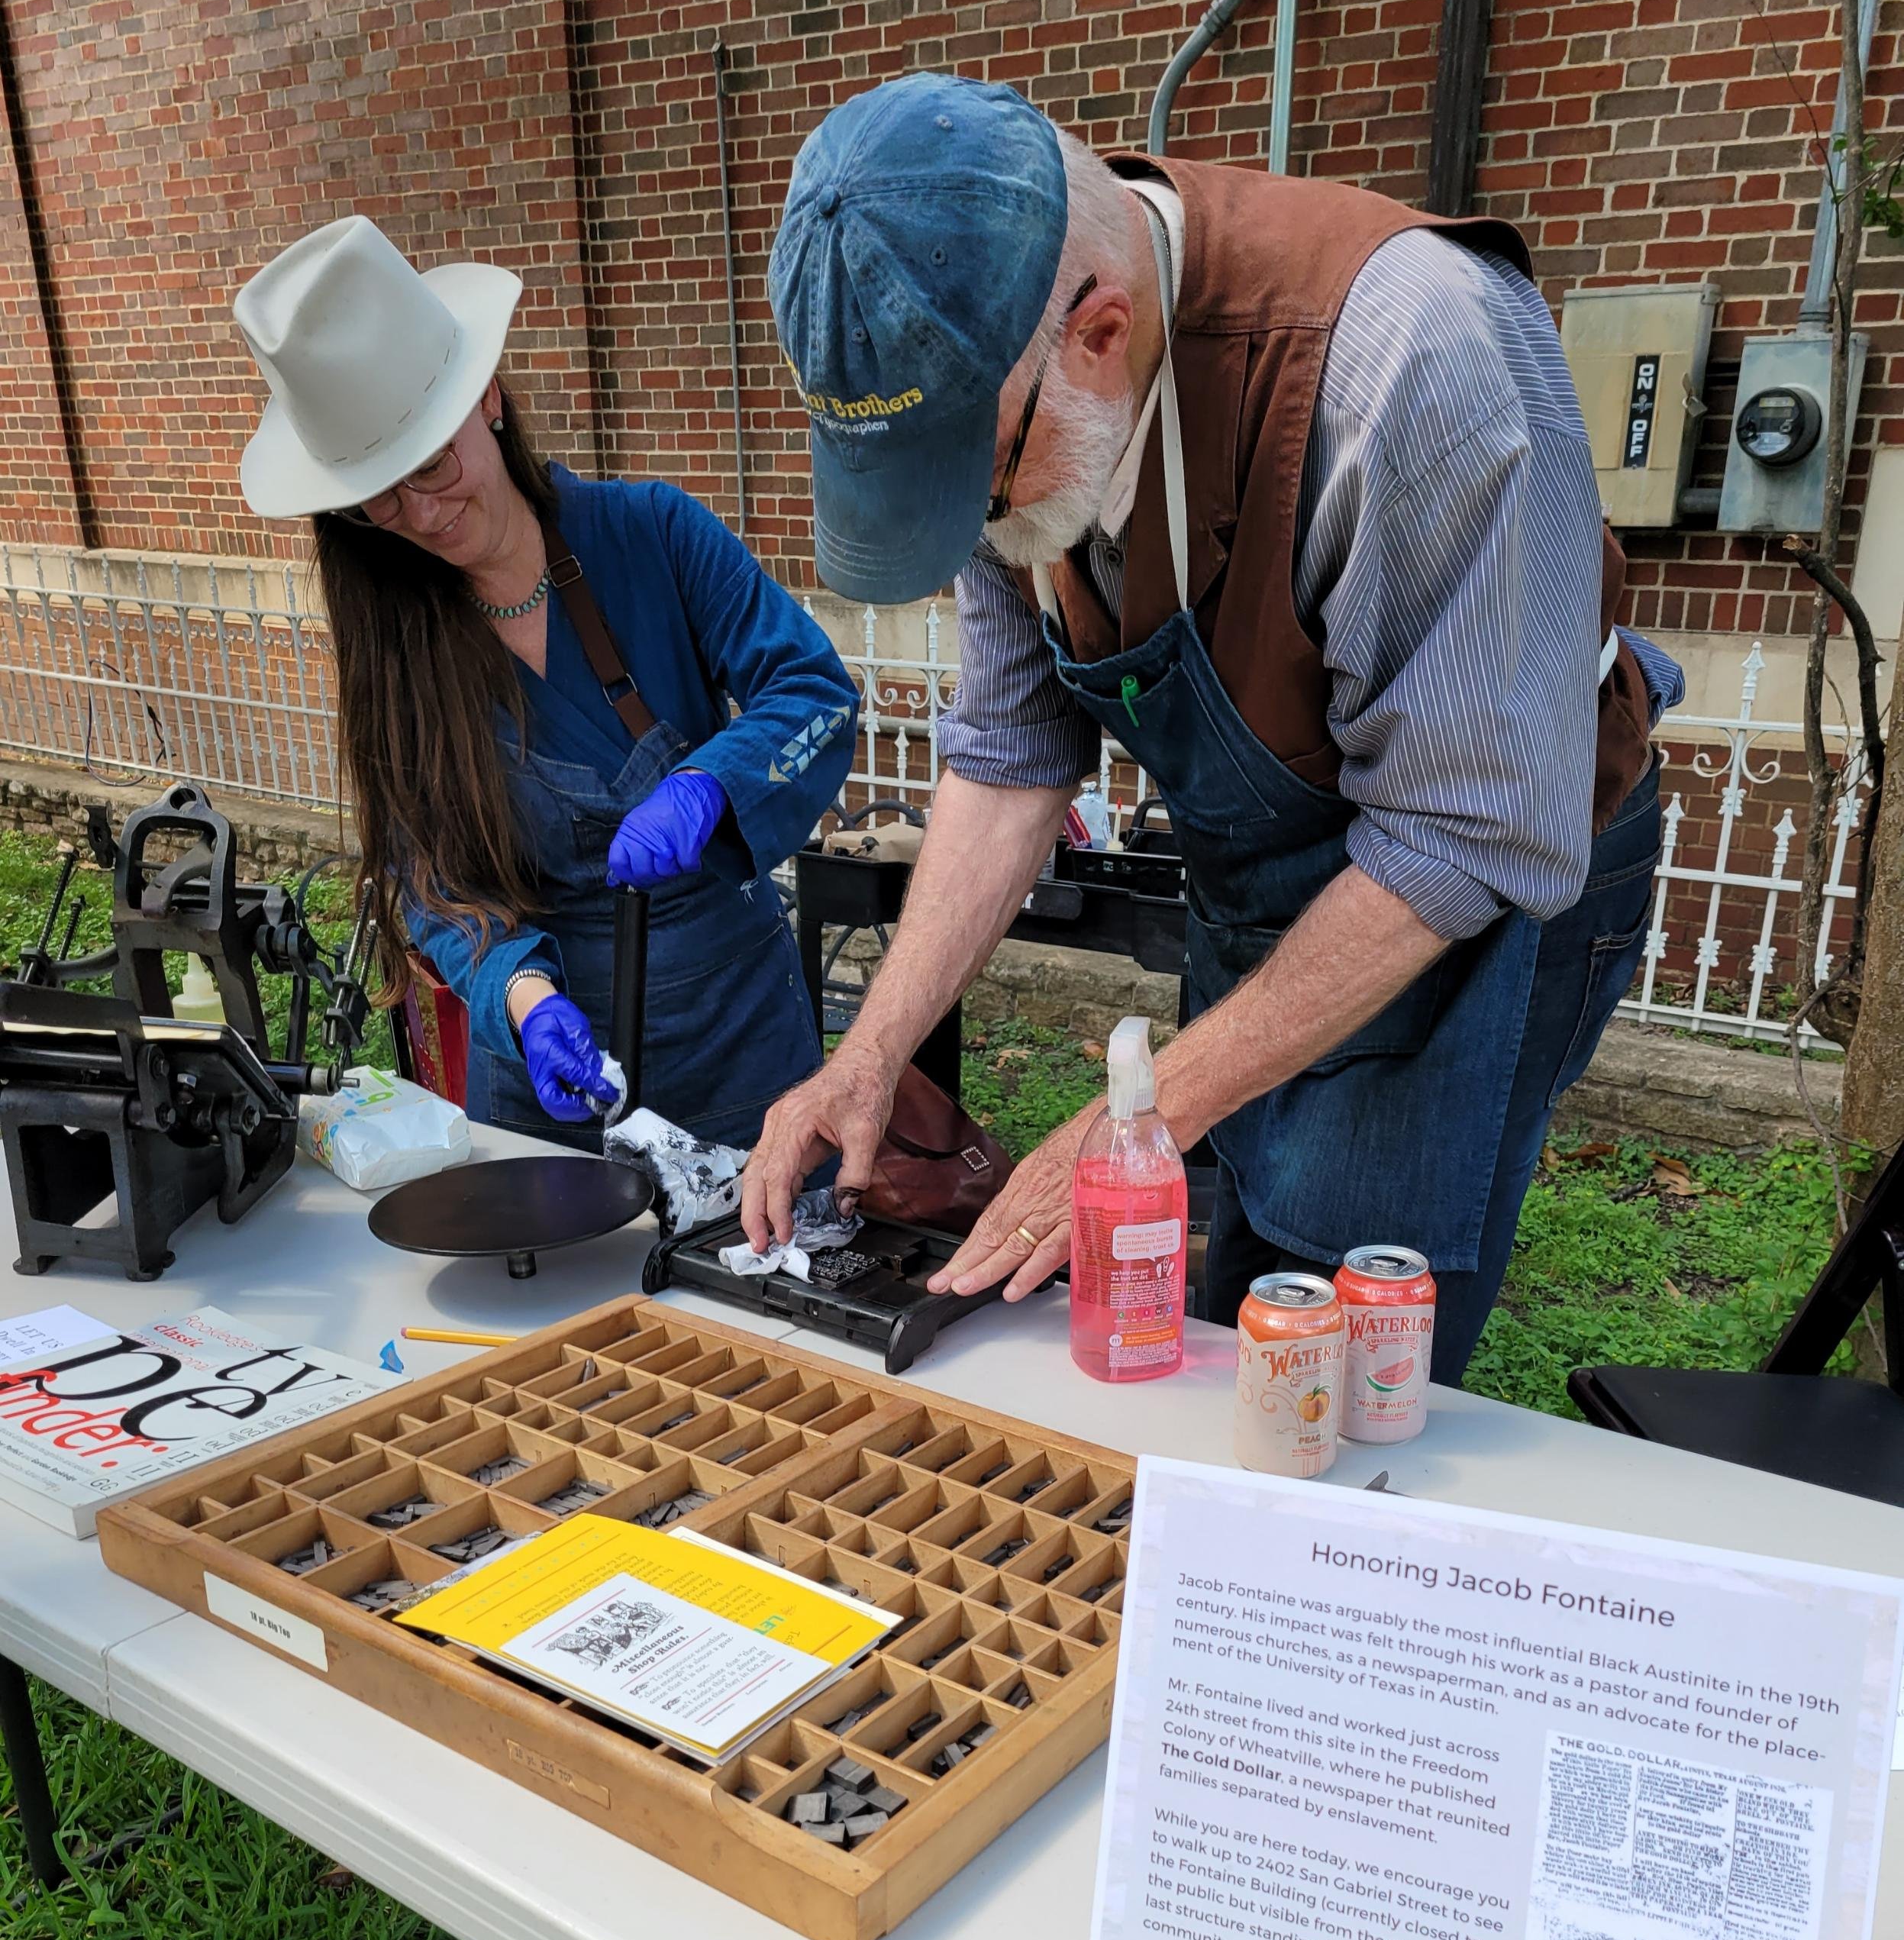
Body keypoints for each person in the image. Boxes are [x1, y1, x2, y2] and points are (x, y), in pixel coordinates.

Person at [747, 76, 1684, 1380]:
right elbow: (1015, 749)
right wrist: (870, 1050)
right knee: (1237, 1225)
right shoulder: (1002, 395)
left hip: (1484, 845)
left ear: (1098, 332)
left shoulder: (1411, 357)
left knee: (1348, 1301)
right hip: (1279, 858)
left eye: (982, 488)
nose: (976, 528)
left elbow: (1462, 833)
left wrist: (1135, 1118)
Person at [232, 215, 855, 1149]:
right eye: (379, 499)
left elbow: (812, 689)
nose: (423, 514)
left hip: (740, 1045)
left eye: (432, 464)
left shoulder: (655, 533)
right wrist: (523, 1000)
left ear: (487, 398)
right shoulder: (399, 646)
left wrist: (707, 787)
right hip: (545, 1071)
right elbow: (427, 877)